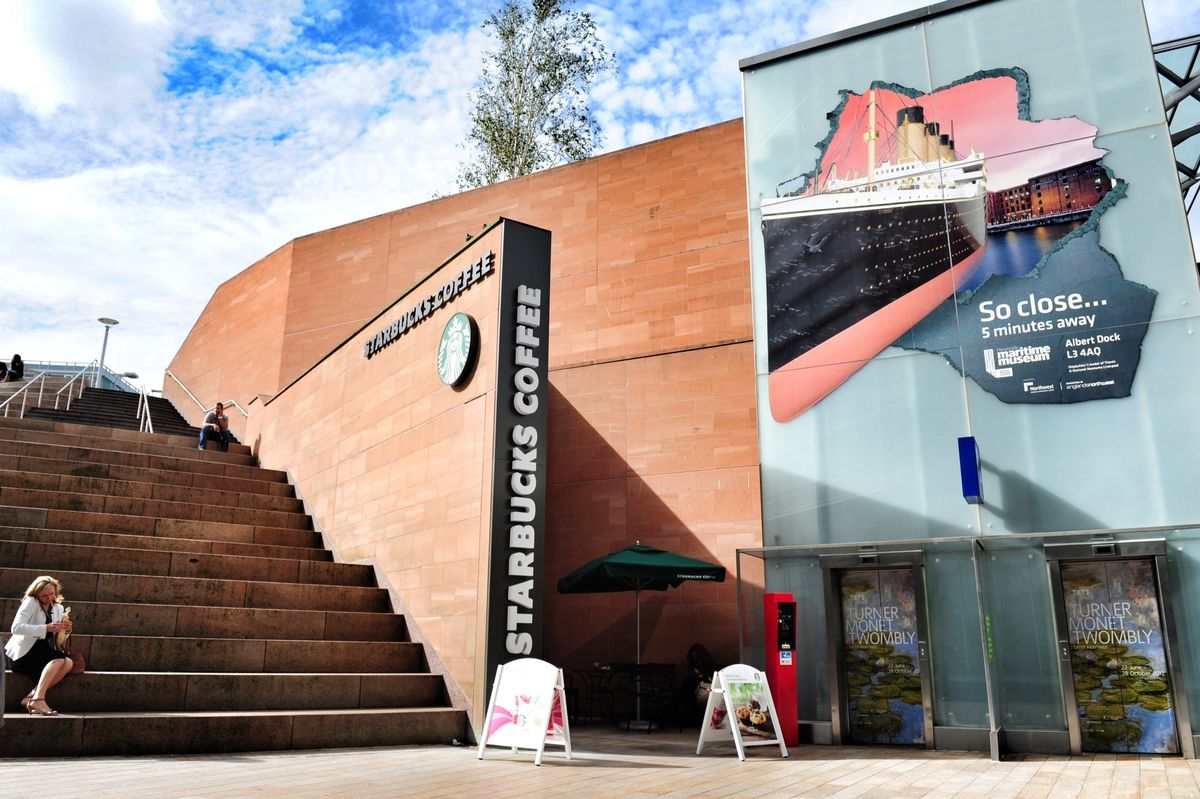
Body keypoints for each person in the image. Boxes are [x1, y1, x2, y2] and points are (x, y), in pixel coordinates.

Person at [5, 575, 74, 716]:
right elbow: (16, 628)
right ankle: (39, 699)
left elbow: (57, 638)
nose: (49, 598)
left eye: (52, 594)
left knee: (69, 663)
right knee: (59, 659)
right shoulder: (31, 602)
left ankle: (31, 697)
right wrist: (45, 628)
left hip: (42, 651)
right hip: (22, 653)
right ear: (36, 594)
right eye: (44, 596)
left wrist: (65, 629)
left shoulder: (58, 607)